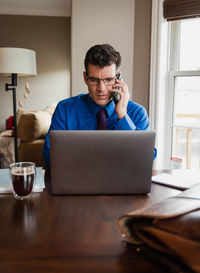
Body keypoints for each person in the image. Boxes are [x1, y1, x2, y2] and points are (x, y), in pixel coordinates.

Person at [43, 43, 154, 168]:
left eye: (108, 80)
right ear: (85, 78)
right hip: (78, 184)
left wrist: (123, 116)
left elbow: (145, 160)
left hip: (122, 185)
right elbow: (49, 158)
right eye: (94, 80)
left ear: (118, 78)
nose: (101, 89)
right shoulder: (65, 109)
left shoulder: (137, 112)